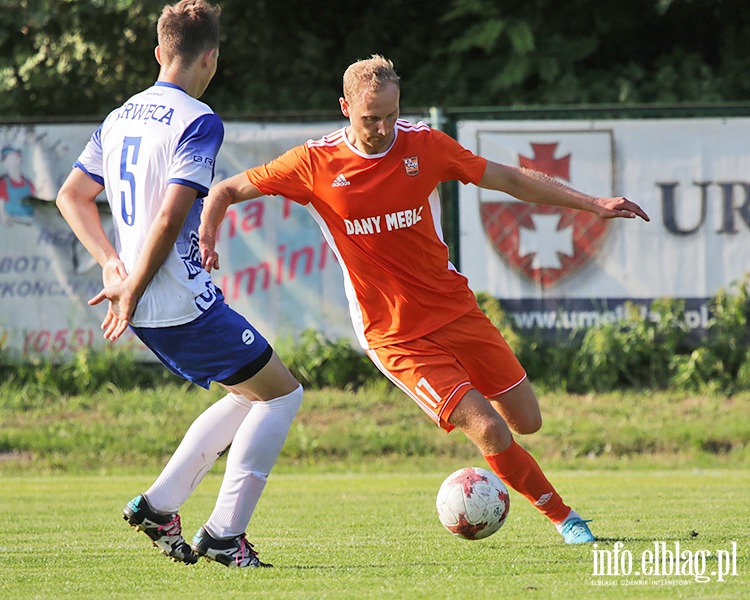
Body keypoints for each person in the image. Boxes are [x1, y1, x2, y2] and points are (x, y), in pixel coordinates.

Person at [199, 55, 650, 545]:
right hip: (393, 333)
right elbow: (225, 190)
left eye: (391, 115)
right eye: (371, 118)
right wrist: (207, 234)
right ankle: (566, 519)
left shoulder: (424, 145)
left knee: (528, 421)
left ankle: (511, 477)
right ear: (345, 107)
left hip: (454, 307)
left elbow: (509, 179)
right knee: (490, 428)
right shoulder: (314, 162)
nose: (383, 128)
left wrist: (593, 204)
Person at [55, 0, 302, 568]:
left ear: (158, 51)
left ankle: (160, 506)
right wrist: (134, 282)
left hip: (150, 295)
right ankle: (223, 534)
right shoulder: (198, 118)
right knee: (284, 395)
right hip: (172, 298)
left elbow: (71, 196)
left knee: (252, 392)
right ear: (210, 58)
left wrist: (112, 265)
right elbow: (169, 217)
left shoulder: (120, 116)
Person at [0, 146, 36, 224]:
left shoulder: (28, 183)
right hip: (15, 225)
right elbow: (0, 209)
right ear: (4, 163)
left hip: (32, 223)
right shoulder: (2, 184)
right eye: (12, 159)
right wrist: (3, 218)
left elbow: (37, 204)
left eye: (17, 158)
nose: (16, 161)